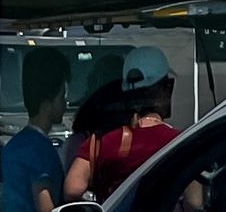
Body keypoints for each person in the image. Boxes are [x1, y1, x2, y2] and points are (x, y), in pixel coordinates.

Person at [65, 60, 179, 202]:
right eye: (168, 86)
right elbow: (194, 203)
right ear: (161, 90)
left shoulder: (100, 142)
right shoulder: (179, 142)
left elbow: (72, 190)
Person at [0, 50, 70, 212]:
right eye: (62, 96)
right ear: (46, 105)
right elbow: (46, 211)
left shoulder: (13, 146)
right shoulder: (41, 150)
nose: (65, 103)